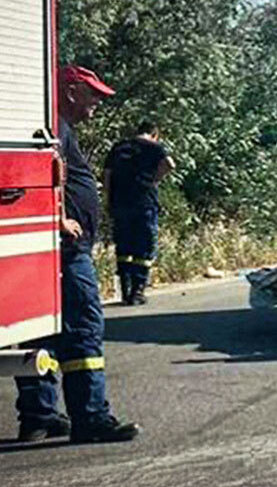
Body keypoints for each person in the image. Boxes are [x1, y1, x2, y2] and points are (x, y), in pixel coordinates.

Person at [14, 65, 140, 443]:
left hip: (44, 249)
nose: (97, 102)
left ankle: (38, 417)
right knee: (84, 327)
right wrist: (59, 218)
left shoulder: (48, 124)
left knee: (40, 331)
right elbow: (46, 171)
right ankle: (90, 418)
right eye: (93, 94)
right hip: (68, 251)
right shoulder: (54, 125)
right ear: (70, 91)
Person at [103, 121, 175, 305]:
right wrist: (155, 180)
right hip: (144, 202)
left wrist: (108, 199)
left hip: (120, 203)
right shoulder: (155, 147)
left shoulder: (119, 147)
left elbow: (107, 175)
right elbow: (170, 164)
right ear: (154, 134)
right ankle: (138, 291)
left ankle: (125, 290)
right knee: (144, 247)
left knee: (124, 247)